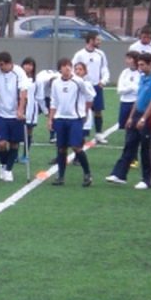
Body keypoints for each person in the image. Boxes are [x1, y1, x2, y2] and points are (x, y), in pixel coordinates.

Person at [106, 53, 151, 190]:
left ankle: (147, 180)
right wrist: (132, 117)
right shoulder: (143, 78)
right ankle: (120, 174)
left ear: (150, 64)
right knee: (130, 144)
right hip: (138, 113)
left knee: (147, 148)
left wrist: (144, 118)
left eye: (142, 64)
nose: (139, 67)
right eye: (138, 64)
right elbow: (138, 98)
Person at [47, 57, 94, 187]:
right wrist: (51, 119)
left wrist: (84, 112)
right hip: (60, 118)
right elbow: (53, 102)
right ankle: (60, 176)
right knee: (61, 148)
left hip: (75, 119)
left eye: (69, 65)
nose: (67, 68)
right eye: (64, 66)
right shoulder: (56, 83)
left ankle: (87, 173)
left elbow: (90, 96)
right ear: (60, 69)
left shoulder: (78, 81)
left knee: (76, 147)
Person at [0, 51, 29, 182]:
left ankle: (9, 170)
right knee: (1, 144)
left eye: (2, 65)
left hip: (15, 114)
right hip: (2, 114)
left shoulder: (19, 72)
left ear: (9, 63)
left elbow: (23, 93)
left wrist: (20, 110)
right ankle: (3, 165)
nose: (0, 67)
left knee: (14, 144)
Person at [71, 30, 110, 142]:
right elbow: (73, 68)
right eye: (97, 39)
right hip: (83, 87)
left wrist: (103, 81)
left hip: (96, 86)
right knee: (82, 109)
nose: (99, 41)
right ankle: (80, 132)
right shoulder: (79, 54)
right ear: (91, 40)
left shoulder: (100, 54)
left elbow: (104, 69)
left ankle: (98, 134)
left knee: (97, 110)